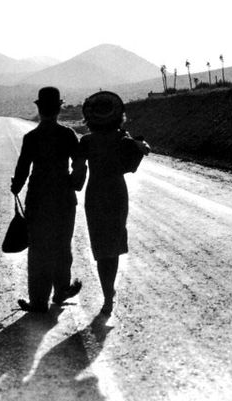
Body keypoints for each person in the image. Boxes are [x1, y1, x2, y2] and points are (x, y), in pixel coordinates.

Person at [75, 91, 150, 316]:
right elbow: (135, 162)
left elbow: (78, 174)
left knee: (100, 246)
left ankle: (107, 293)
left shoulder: (86, 141)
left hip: (95, 194)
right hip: (117, 193)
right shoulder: (124, 140)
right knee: (114, 244)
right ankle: (109, 295)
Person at [10, 87, 83, 313]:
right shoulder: (68, 134)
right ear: (59, 109)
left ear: (39, 110)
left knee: (39, 249)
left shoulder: (31, 137)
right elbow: (80, 163)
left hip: (38, 200)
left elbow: (22, 169)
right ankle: (61, 291)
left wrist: (16, 187)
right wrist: (73, 183)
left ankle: (38, 300)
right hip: (63, 199)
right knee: (62, 246)